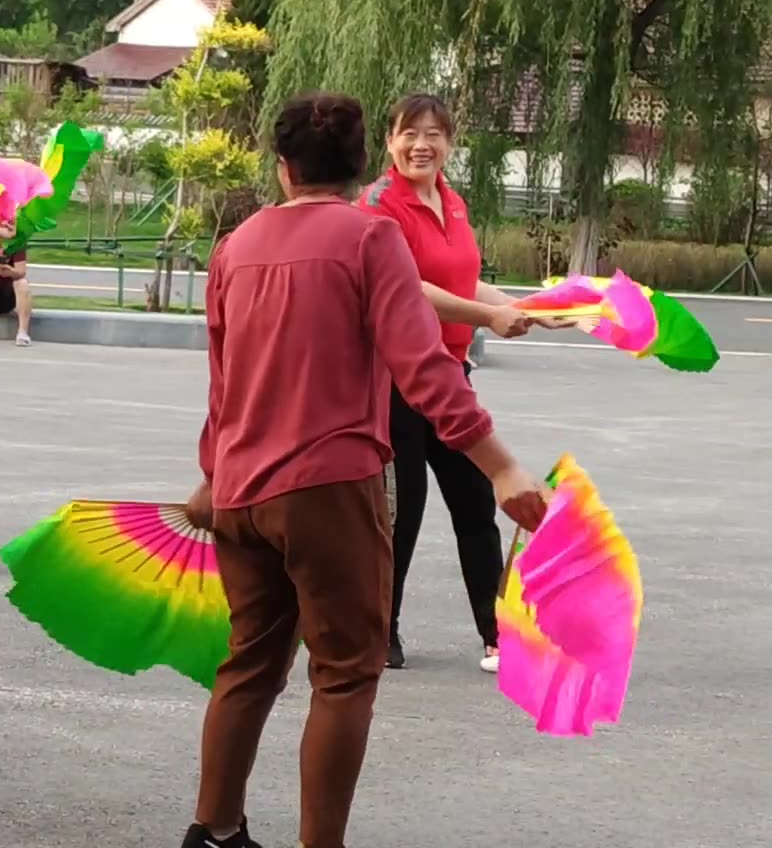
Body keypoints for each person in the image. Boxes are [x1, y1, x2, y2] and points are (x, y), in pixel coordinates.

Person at [180, 92, 548, 848]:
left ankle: (213, 831)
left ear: (282, 168)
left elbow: (224, 379)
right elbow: (425, 371)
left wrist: (213, 473)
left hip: (241, 492)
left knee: (249, 666)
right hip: (328, 489)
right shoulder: (371, 238)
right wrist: (503, 467)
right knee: (345, 674)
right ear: (359, 166)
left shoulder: (235, 246)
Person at [357, 94, 569, 673]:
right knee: (402, 516)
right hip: (395, 379)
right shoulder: (379, 206)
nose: (421, 144)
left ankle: (497, 634)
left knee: (477, 505)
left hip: (448, 374)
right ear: (390, 140)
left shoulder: (452, 202)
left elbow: (464, 282)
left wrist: (529, 307)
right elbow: (406, 288)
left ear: (450, 142)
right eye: (410, 133)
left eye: (434, 134)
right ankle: (382, 631)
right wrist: (488, 319)